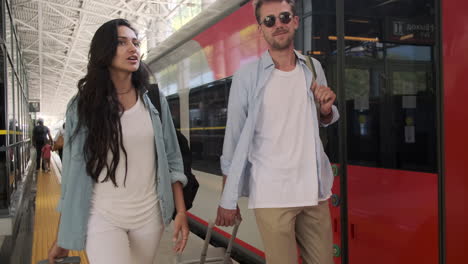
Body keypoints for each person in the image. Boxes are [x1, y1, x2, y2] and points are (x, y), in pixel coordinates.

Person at [47, 19, 189, 264]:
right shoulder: (82, 106)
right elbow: (72, 176)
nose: (132, 49)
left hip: (150, 217)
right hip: (101, 216)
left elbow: (173, 159)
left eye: (135, 42)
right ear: (104, 51)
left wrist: (181, 212)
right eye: (122, 42)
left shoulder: (154, 100)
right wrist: (63, 235)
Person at [215, 1, 340, 263]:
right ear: (261, 30)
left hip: (313, 190)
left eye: (284, 17)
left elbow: (321, 119)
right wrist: (228, 198)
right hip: (271, 194)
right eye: (269, 21)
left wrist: (326, 110)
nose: (278, 24)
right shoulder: (247, 76)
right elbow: (234, 137)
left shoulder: (313, 67)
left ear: (295, 21)